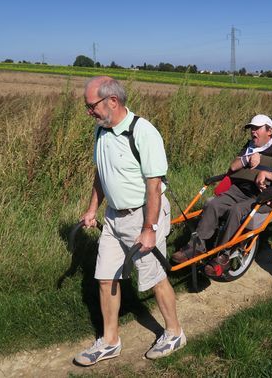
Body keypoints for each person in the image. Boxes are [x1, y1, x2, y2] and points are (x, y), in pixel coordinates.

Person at [74, 76, 185, 365]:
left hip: (143, 215)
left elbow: (153, 186)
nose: (89, 112)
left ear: (112, 101)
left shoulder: (143, 132)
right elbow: (102, 174)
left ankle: (174, 332)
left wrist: (149, 230)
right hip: (113, 217)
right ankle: (110, 341)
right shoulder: (101, 131)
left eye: (91, 106)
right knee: (105, 277)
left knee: (154, 277)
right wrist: (92, 209)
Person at [172, 114, 272, 275]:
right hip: (238, 191)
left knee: (236, 210)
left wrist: (267, 174)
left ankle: (223, 255)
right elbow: (233, 166)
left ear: (269, 131)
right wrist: (248, 158)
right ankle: (196, 247)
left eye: (257, 128)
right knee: (212, 204)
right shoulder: (249, 145)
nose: (253, 132)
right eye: (252, 128)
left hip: (263, 197)